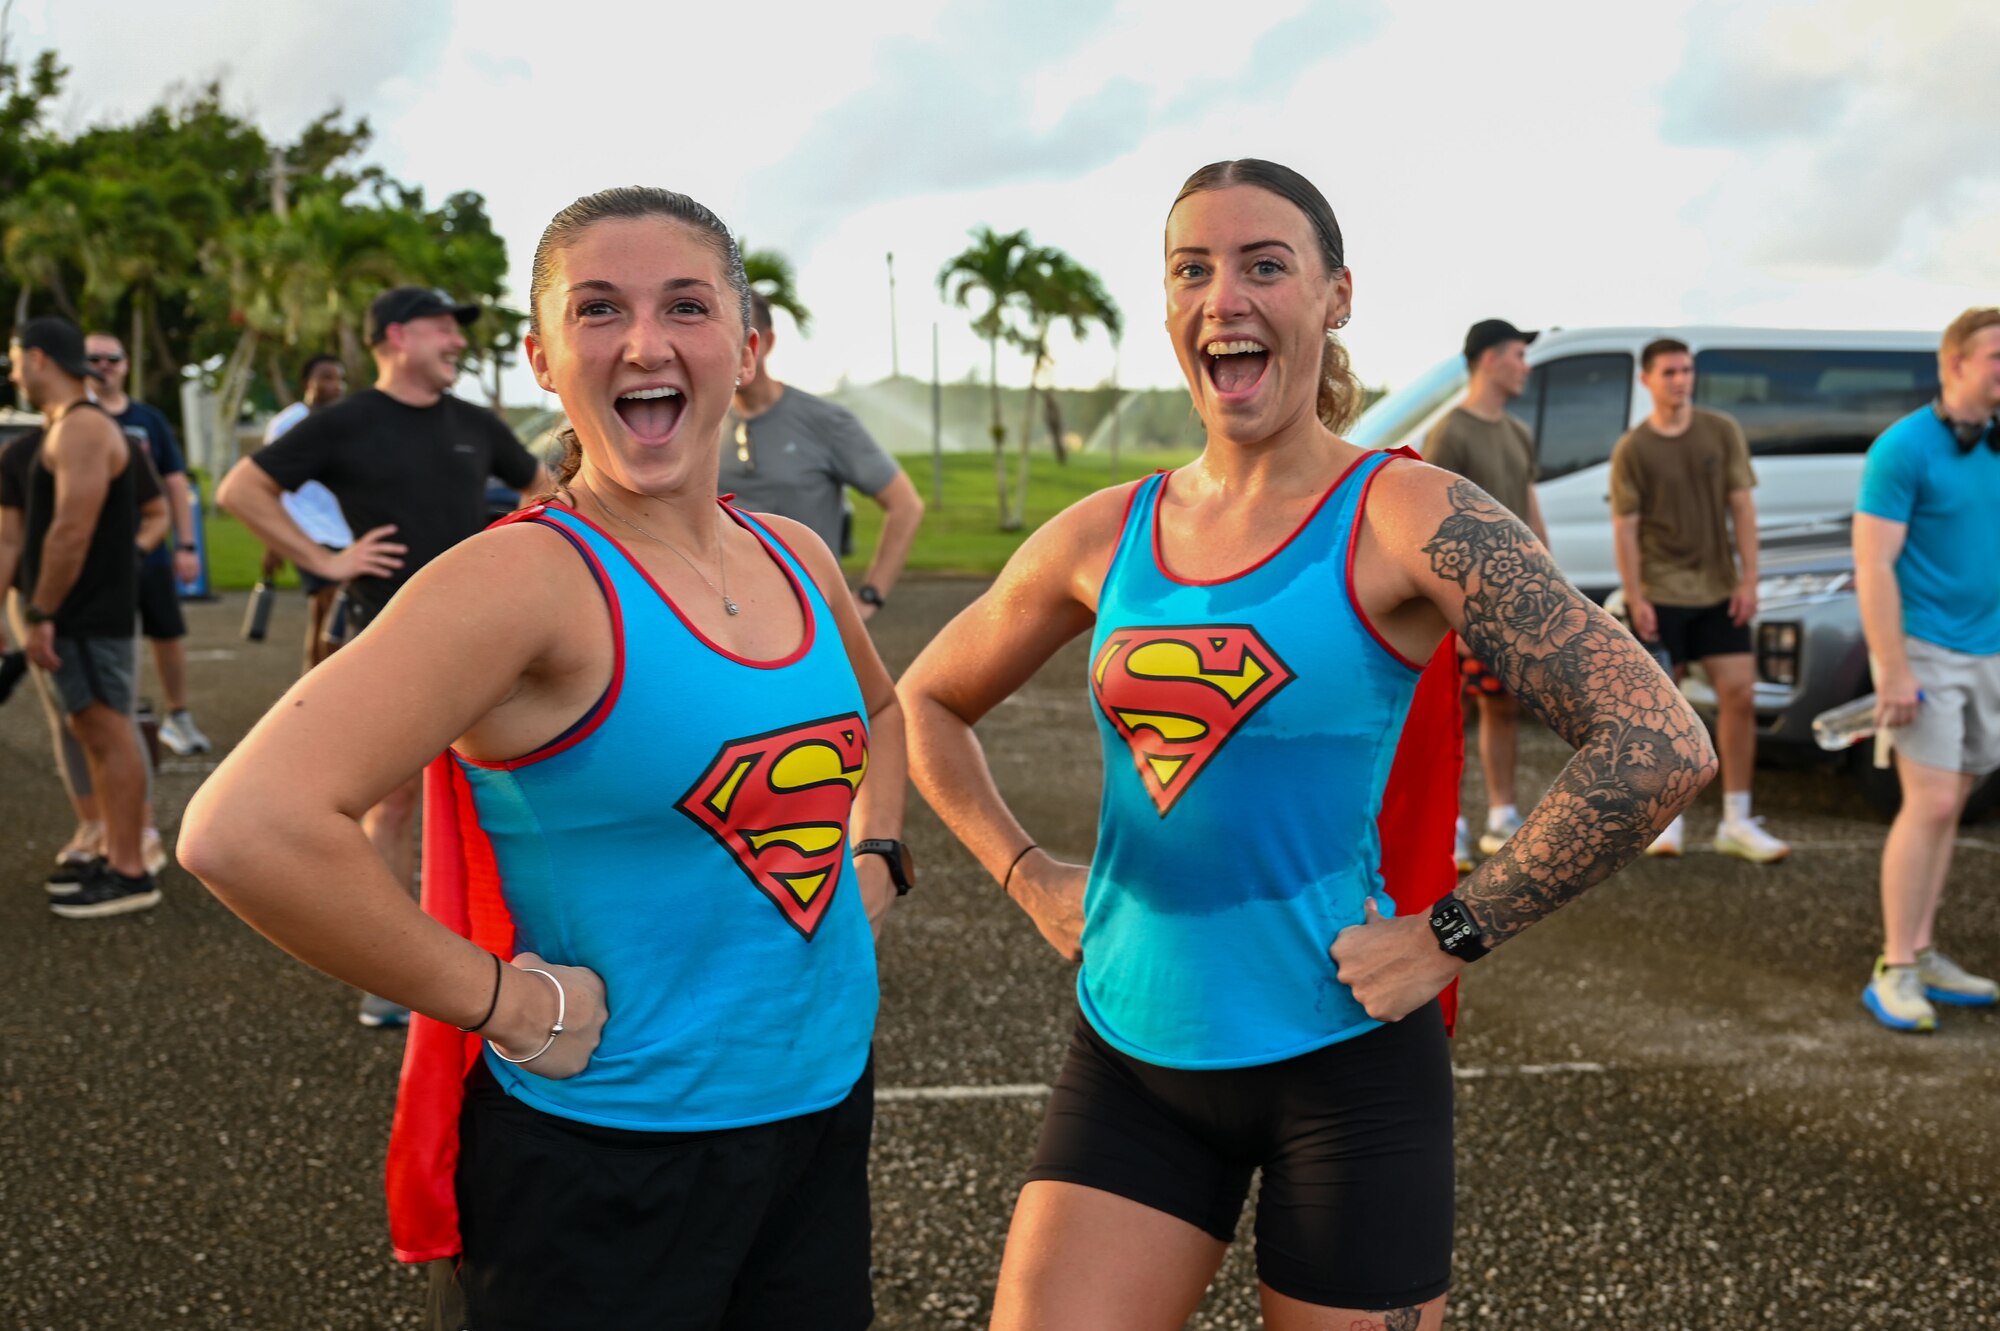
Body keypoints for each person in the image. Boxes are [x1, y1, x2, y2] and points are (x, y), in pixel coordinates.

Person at [899, 159, 1715, 1331]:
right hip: (1131, 1054)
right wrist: (1028, 875)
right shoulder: (1103, 532)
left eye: (1263, 265)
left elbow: (1655, 739)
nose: (1222, 297)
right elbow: (924, 702)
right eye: (1191, 268)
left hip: (1346, 1064)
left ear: (1335, 296)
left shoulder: (1408, 512)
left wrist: (1451, 932)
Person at [181, 186, 907, 1331]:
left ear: (745, 345)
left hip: (819, 1114)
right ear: (541, 358)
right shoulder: (519, 580)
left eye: (686, 305)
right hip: (608, 1160)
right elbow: (246, 827)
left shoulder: (796, 553)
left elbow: (882, 709)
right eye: (598, 309)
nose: (645, 343)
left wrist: (877, 851)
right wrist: (503, 999)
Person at [216, 286, 550, 1028]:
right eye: (443, 328)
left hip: (489, 646)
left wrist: (522, 553)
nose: (457, 342)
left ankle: (514, 954)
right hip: (387, 641)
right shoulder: (348, 421)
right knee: (391, 806)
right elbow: (242, 489)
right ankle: (396, 977)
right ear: (395, 336)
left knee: (515, 799)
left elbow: (544, 489)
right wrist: (325, 560)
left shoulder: (474, 424)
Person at [1853, 307, 2000, 1032]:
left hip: (1991, 651)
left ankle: (1924, 947)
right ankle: (1896, 966)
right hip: (1926, 649)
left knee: (1958, 800)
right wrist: (1891, 668)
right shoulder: (1902, 447)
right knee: (1933, 802)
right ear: (1955, 364)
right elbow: (1873, 562)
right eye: (1997, 356)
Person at [2, 318, 163, 917]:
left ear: (39, 358)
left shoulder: (84, 428)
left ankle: (130, 870)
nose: (13, 372)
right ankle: (115, 853)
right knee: (92, 733)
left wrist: (41, 610)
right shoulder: (64, 428)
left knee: (109, 732)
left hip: (88, 612)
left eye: (15, 359)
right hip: (79, 613)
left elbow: (72, 528)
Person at [1612, 338, 1787, 862]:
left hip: (1718, 590)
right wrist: (1636, 596)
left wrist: (1750, 580)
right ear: (1646, 380)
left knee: (1740, 695)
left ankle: (1737, 819)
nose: (1681, 380)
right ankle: (1669, 820)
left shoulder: (1720, 431)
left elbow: (1743, 508)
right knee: (1668, 712)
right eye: (1669, 372)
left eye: (1686, 370)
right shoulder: (1633, 449)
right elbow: (1625, 528)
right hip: (1661, 592)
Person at [1423, 318, 1551, 870]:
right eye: (1519, 355)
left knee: (1502, 706)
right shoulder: (1450, 432)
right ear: (1491, 359)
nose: (1526, 367)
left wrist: (1549, 581)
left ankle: (1502, 816)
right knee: (1449, 714)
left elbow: (1530, 509)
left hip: (1514, 604)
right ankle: (1448, 825)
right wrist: (1452, 617)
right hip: (1462, 606)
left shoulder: (1517, 432)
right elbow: (1432, 528)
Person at [722, 291, 925, 620]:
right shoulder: (699, 424)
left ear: (765, 343)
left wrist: (869, 596)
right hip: (723, 619)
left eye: (739, 337)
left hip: (809, 620)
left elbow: (905, 505)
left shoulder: (826, 422)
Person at [84, 331, 211, 756]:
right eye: (94, 359)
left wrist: (186, 546)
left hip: (147, 546)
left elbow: (174, 483)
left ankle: (178, 715)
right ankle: (114, 720)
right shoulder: (77, 417)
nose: (104, 366)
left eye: (112, 358)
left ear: (125, 364)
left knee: (167, 632)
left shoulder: (148, 420)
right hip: (91, 553)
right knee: (104, 640)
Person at [260, 353, 353, 670]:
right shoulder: (287, 424)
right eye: (326, 377)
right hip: (303, 529)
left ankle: (311, 682)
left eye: (339, 378)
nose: (335, 385)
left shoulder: (345, 421)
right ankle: (327, 686)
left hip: (342, 530)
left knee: (324, 613)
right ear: (306, 383)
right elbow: (267, 484)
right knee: (331, 607)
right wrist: (273, 541)